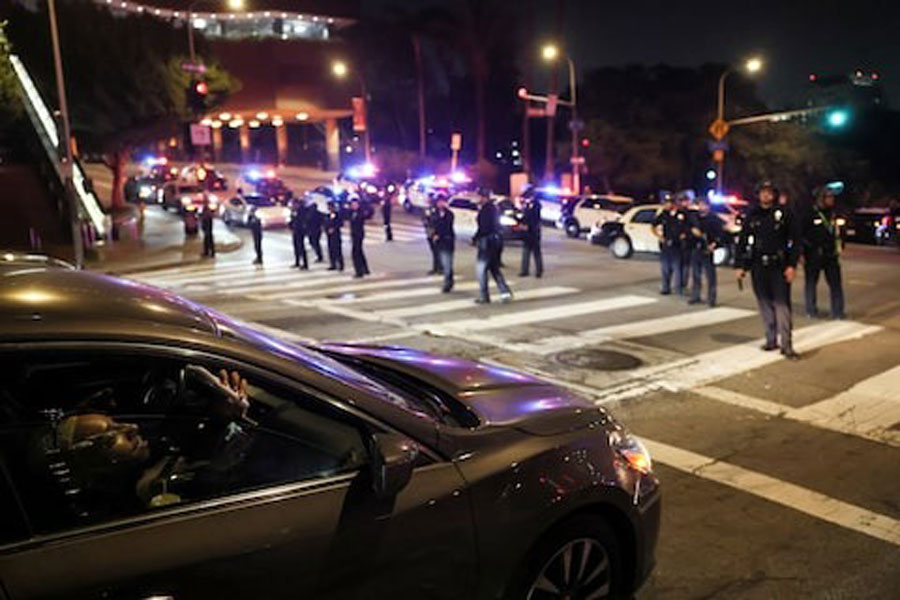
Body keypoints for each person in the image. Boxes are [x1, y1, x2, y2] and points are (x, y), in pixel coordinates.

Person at [735, 180, 801, 360]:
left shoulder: (784, 213)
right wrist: (739, 265)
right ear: (758, 195)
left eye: (769, 192)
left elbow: (795, 241)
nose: (766, 195)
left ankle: (787, 346)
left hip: (779, 266)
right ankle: (771, 339)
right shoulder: (752, 214)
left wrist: (792, 265)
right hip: (758, 265)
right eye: (763, 192)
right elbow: (742, 240)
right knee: (764, 304)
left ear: (774, 195)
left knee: (782, 306)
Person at [803, 186, 845, 319]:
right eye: (828, 197)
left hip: (831, 255)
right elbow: (801, 234)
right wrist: (802, 252)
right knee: (811, 283)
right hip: (813, 254)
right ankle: (811, 310)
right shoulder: (810, 213)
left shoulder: (833, 213)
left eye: (832, 197)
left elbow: (839, 232)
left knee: (836, 284)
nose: (831, 200)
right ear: (821, 199)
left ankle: (837, 311)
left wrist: (840, 245)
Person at [473, 188, 512, 304]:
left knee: (481, 270)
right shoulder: (494, 208)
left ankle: (484, 296)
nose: (477, 199)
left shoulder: (486, 209)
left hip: (486, 242)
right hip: (495, 241)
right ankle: (505, 292)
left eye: (479, 197)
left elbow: (484, 228)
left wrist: (475, 238)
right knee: (494, 269)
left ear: (483, 197)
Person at [688, 196, 723, 307]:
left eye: (704, 205)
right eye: (700, 205)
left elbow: (720, 235)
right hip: (695, 248)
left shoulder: (714, 219)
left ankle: (711, 299)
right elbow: (687, 229)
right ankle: (695, 295)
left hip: (708, 249)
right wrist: (692, 232)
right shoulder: (694, 218)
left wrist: (714, 244)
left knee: (710, 276)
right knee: (695, 274)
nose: (702, 207)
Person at [652, 191, 688, 295]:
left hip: (678, 244)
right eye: (666, 202)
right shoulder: (663, 214)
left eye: (670, 202)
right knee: (665, 268)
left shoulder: (681, 214)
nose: (668, 205)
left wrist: (685, 235)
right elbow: (653, 225)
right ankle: (665, 287)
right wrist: (659, 236)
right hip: (666, 244)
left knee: (678, 268)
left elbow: (688, 227)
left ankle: (679, 288)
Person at [432, 195, 455, 292]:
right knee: (444, 262)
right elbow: (431, 224)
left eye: (442, 202)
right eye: (439, 202)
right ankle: (449, 280)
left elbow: (447, 226)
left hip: (447, 240)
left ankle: (447, 283)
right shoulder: (434, 213)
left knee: (447, 263)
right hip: (439, 241)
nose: (440, 204)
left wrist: (439, 234)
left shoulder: (449, 214)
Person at [519, 192, 543, 278]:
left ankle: (539, 271)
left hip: (533, 232)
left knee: (536, 252)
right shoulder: (527, 205)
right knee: (526, 252)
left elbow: (534, 219)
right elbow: (524, 217)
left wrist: (528, 226)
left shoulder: (536, 205)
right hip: (527, 233)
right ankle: (524, 270)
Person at [676, 190, 695, 291]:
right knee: (678, 265)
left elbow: (692, 226)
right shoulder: (676, 213)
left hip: (688, 242)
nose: (685, 203)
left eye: (686, 201)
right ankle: (679, 285)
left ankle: (683, 284)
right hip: (678, 242)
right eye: (682, 201)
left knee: (686, 265)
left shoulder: (690, 213)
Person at [348, 197, 370, 278]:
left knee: (355, 253)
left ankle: (359, 271)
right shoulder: (352, 213)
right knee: (359, 252)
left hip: (359, 234)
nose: (353, 206)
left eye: (355, 204)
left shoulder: (360, 213)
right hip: (354, 234)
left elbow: (367, 215)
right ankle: (365, 269)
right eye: (352, 204)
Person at [325, 201, 344, 271]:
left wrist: (334, 228)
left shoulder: (337, 214)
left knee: (337, 250)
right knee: (331, 249)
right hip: (329, 235)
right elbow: (326, 223)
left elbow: (340, 223)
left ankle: (340, 265)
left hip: (336, 234)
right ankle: (333, 264)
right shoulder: (327, 214)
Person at [289, 200, 308, 270]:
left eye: (294, 204)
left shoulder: (302, 210)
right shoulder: (293, 211)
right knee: (296, 246)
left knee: (301, 247)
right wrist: (291, 226)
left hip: (300, 231)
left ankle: (305, 263)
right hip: (295, 230)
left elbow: (303, 220)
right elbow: (292, 219)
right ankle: (297, 261)